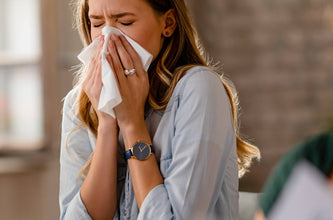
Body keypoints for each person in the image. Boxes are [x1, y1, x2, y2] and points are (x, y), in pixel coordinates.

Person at [59, 0, 261, 219]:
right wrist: (107, 122)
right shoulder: (79, 103)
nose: (108, 39)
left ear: (168, 24)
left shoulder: (198, 90)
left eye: (125, 22)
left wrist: (131, 123)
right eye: (97, 24)